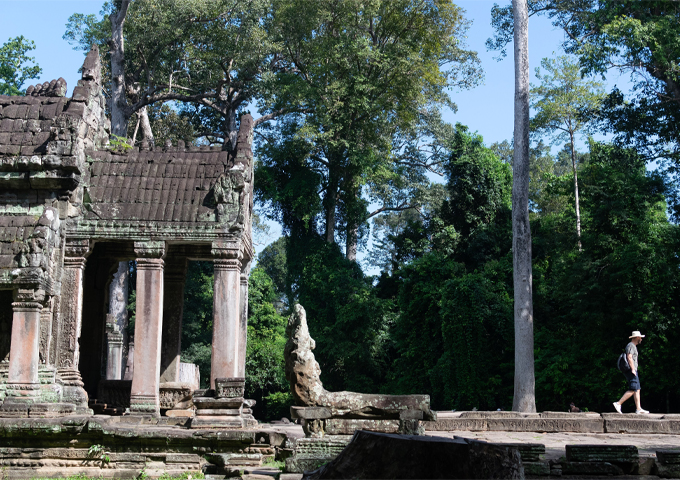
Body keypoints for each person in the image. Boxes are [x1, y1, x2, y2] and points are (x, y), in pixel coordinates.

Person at [613, 331, 649, 414]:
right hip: (631, 370)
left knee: (637, 389)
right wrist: (633, 369)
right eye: (640, 338)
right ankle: (618, 403)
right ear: (636, 337)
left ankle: (638, 409)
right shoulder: (631, 345)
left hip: (633, 370)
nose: (641, 339)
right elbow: (629, 357)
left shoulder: (633, 346)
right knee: (633, 388)